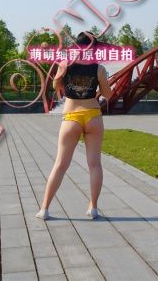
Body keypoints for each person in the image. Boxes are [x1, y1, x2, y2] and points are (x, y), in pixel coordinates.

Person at [36, 31, 113, 220]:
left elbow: (56, 86)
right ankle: (93, 208)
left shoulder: (64, 64)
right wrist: (98, 89)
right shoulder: (99, 68)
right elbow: (107, 94)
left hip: (71, 117)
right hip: (93, 115)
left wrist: (61, 79)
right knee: (94, 164)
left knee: (60, 165)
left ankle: (44, 209)